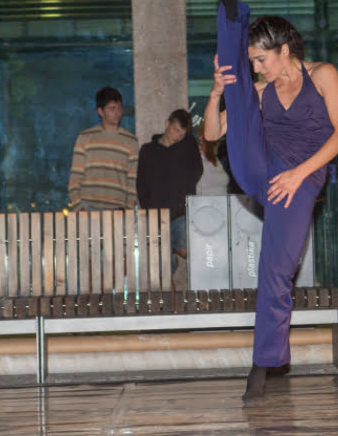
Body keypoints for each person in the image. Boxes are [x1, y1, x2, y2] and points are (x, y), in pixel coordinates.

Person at [204, 0, 338, 402]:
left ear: (285, 49)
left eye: (261, 60)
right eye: (252, 61)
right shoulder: (260, 90)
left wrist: (298, 174)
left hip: (301, 179)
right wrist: (217, 91)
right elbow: (212, 134)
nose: (259, 68)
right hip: (260, 166)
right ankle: (230, 5)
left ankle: (263, 363)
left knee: (276, 268)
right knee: (237, 90)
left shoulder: (323, 75)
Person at [136, 109, 203, 289]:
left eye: (182, 133)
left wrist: (183, 191)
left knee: (186, 251)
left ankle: (172, 249)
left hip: (180, 212)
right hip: (156, 215)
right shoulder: (148, 150)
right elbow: (141, 183)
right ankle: (169, 301)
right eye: (175, 130)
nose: (178, 136)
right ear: (167, 124)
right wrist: (148, 209)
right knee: (163, 270)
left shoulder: (187, 145)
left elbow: (197, 171)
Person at [68, 86, 138, 211]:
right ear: (100, 111)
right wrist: (79, 209)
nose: (117, 112)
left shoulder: (131, 141)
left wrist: (128, 210)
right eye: (112, 108)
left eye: (119, 108)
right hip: (87, 207)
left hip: (118, 209)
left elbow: (132, 181)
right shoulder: (85, 137)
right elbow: (75, 179)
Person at [196, 121, 229, 196]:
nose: (213, 138)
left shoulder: (216, 158)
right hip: (204, 201)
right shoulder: (196, 156)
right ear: (200, 136)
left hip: (222, 201)